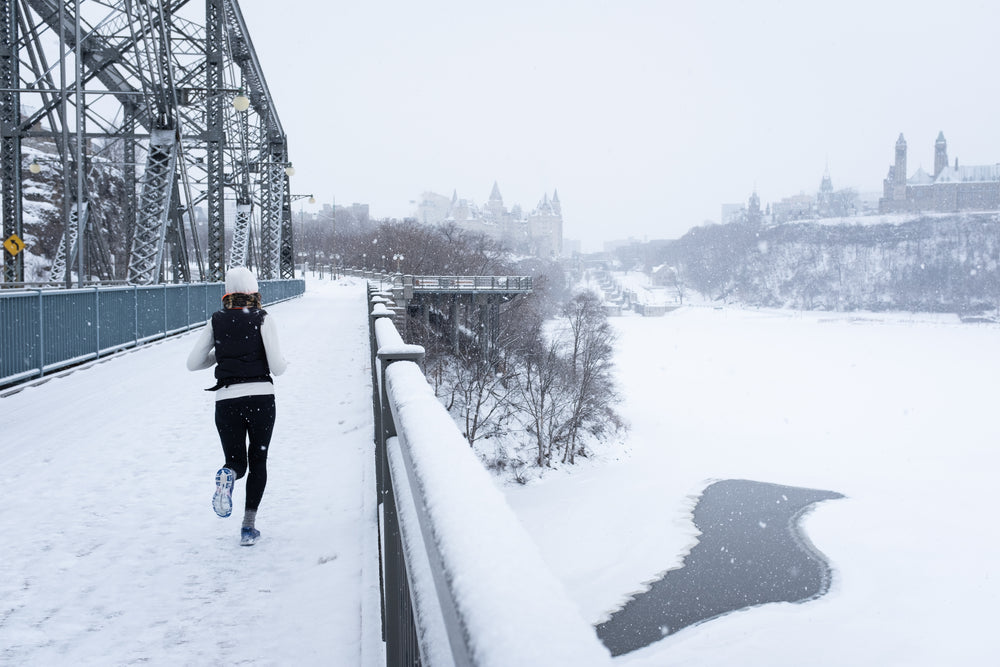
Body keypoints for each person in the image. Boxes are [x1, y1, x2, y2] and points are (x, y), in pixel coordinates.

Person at [186, 267, 288, 546]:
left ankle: (228, 475)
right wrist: (283, 361)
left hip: (226, 400)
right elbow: (277, 367)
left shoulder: (216, 320)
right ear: (254, 291)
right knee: (258, 460)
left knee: (236, 462)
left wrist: (220, 355)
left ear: (227, 292)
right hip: (260, 398)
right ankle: (248, 527)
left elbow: (193, 363)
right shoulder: (263, 318)